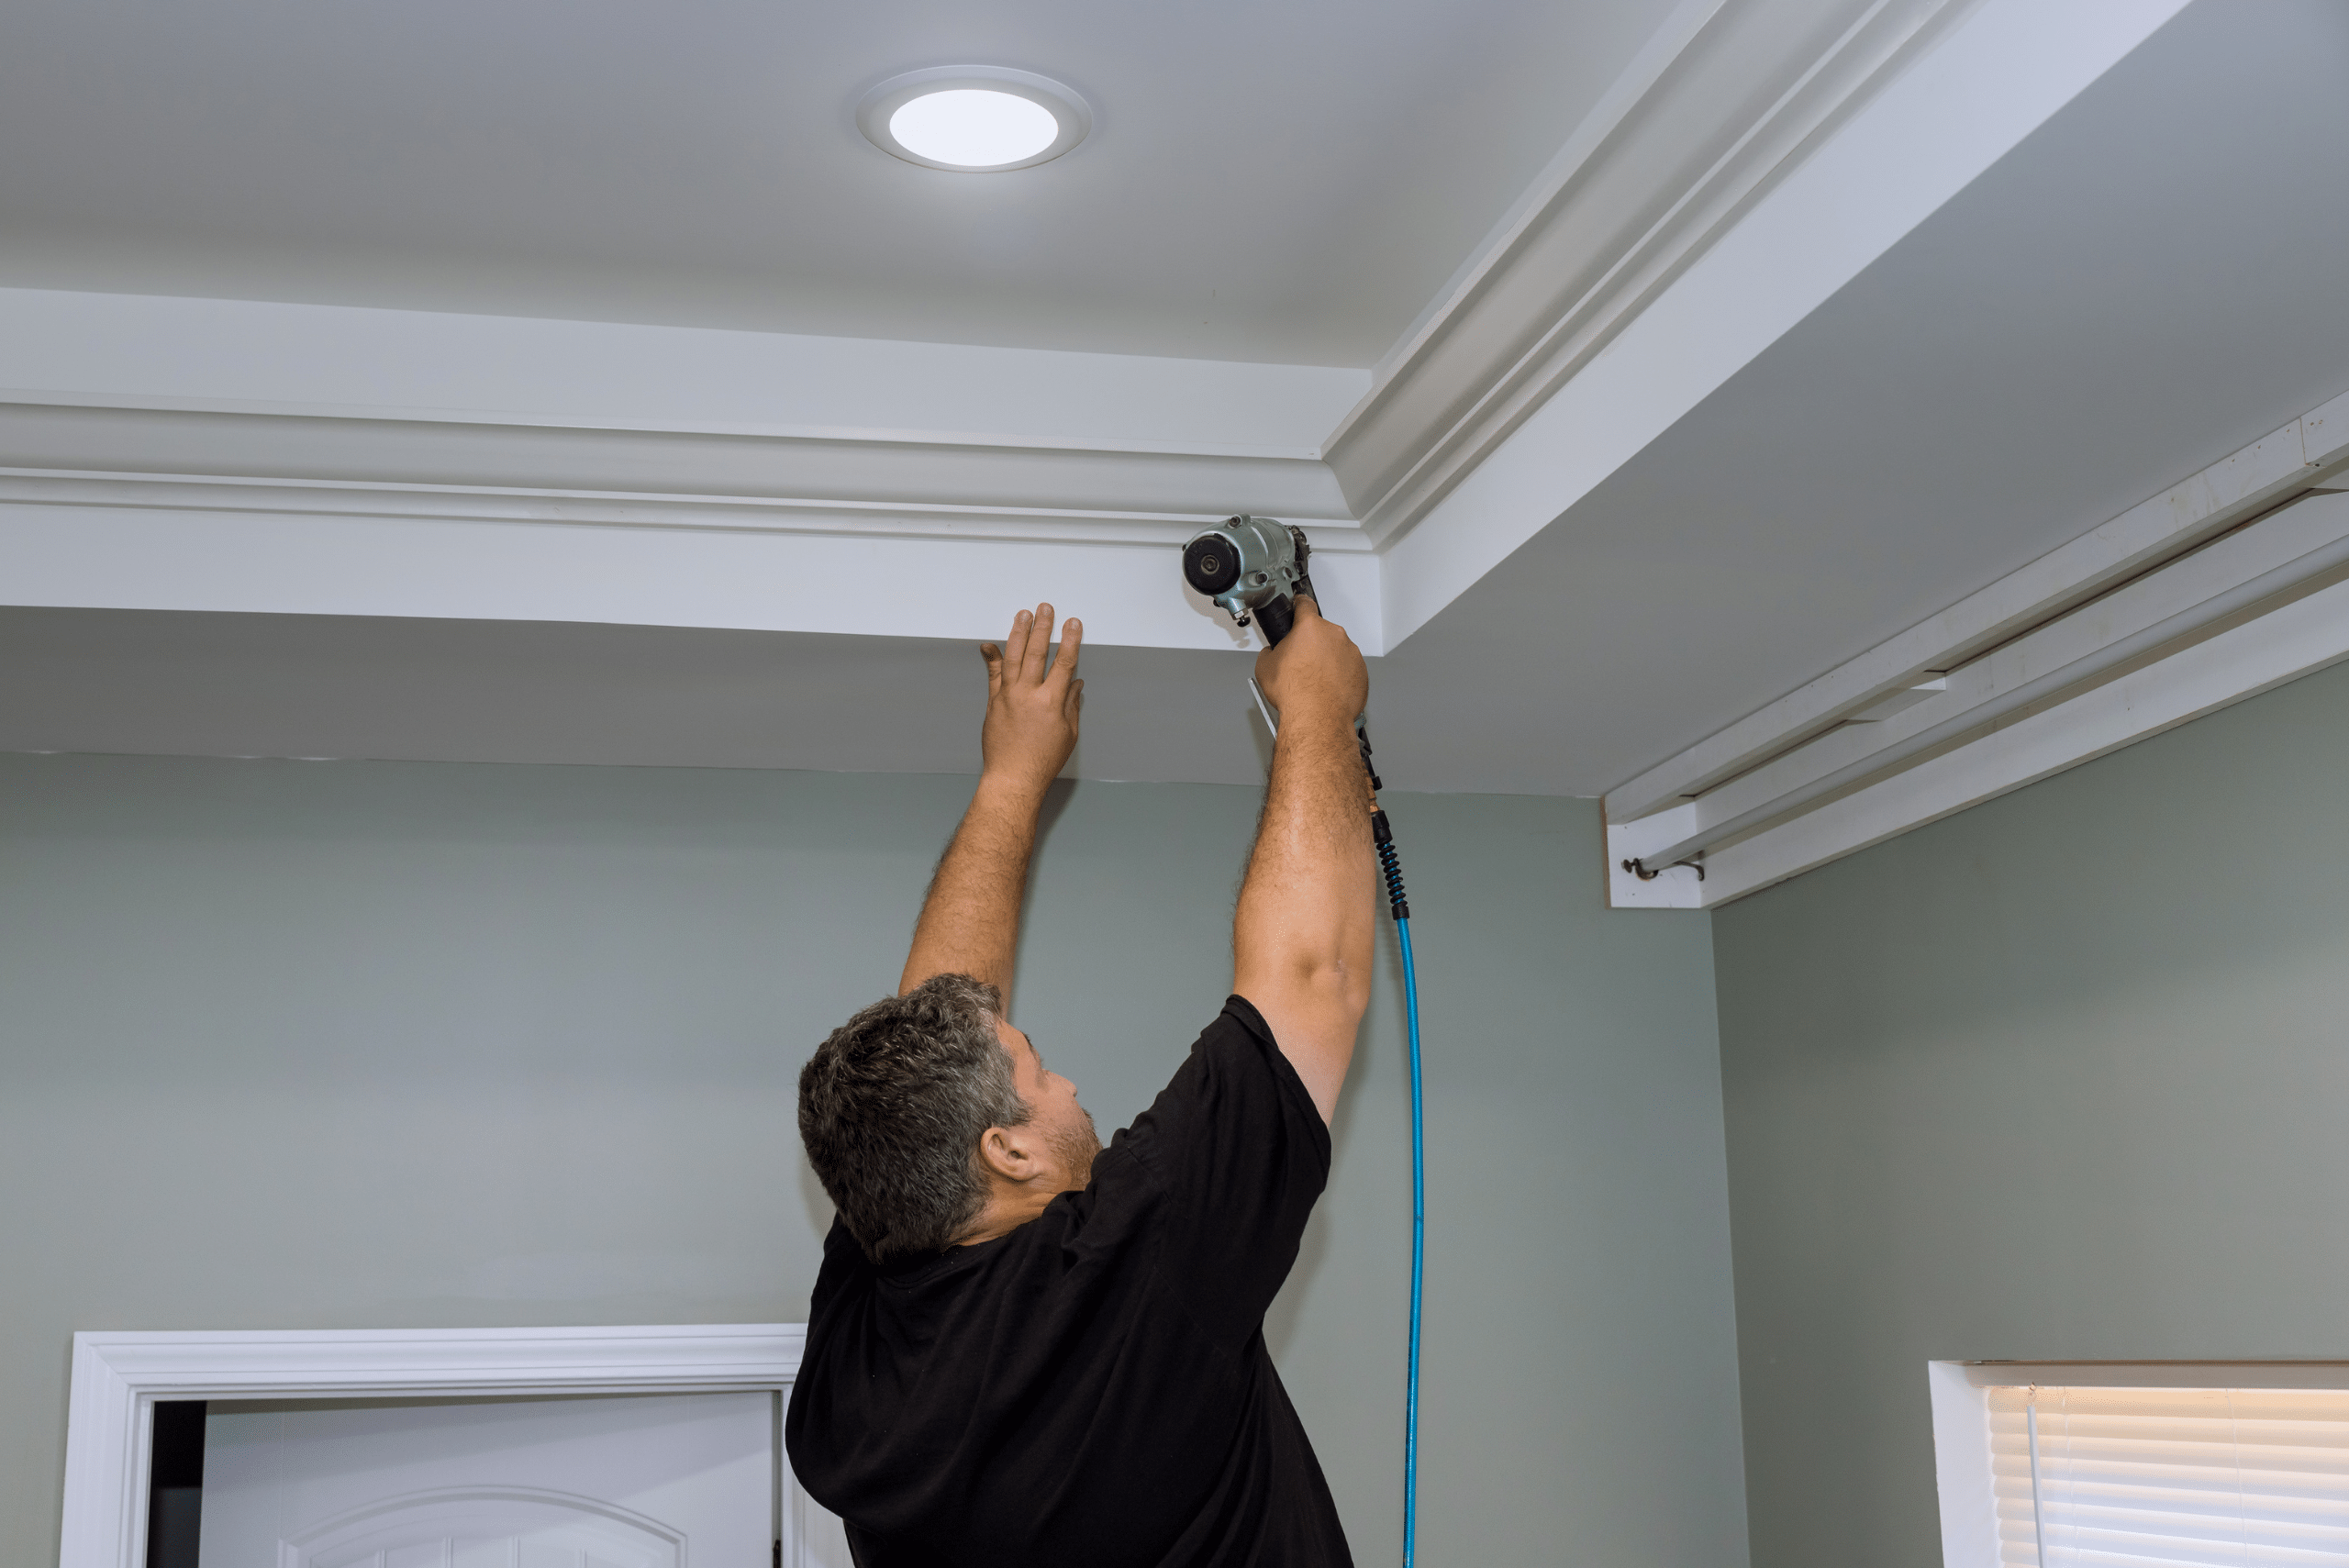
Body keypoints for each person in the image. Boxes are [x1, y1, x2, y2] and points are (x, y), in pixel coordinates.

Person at [786, 597, 1378, 1568]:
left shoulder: (863, 1373)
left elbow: (940, 1022)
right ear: (1006, 1147)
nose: (1068, 1084)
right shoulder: (1131, 1271)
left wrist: (1012, 778)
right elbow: (1312, 981)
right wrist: (1318, 707)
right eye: (1039, 1067)